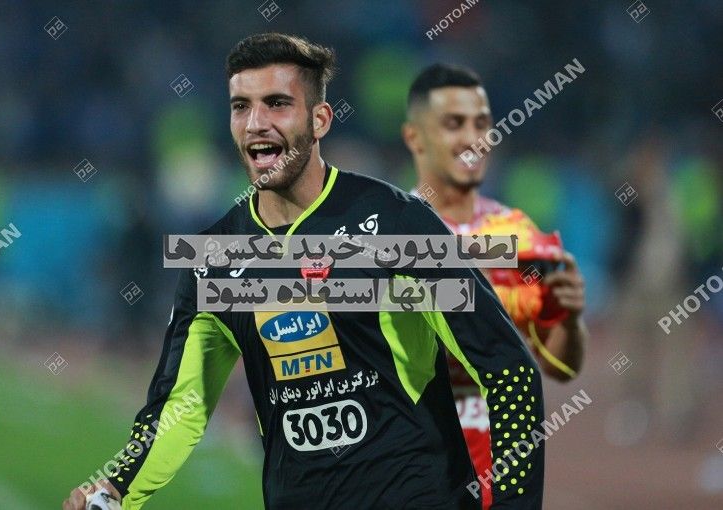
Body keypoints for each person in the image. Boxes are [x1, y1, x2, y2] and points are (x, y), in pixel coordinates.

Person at [64, 35, 545, 510]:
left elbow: (507, 369)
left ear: (320, 120)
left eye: (277, 104)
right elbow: (179, 406)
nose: (257, 123)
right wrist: (115, 489)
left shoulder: (397, 224)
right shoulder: (216, 258)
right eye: (241, 107)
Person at [402, 63, 588, 509]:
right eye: (454, 124)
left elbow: (561, 367)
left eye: (482, 124)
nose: (474, 138)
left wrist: (569, 317)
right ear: (415, 138)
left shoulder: (517, 231)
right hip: (418, 471)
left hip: (503, 471)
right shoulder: (390, 230)